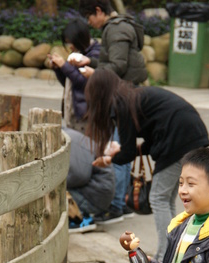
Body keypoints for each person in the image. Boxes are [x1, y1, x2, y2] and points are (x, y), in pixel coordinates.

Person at [85, 69, 209, 261]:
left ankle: (164, 256)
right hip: (190, 133)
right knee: (164, 198)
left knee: (158, 198)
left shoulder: (122, 104)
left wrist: (110, 159)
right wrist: (119, 155)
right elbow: (146, 143)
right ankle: (174, 250)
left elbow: (126, 153)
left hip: (179, 138)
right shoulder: (132, 96)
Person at [77, 0, 148, 224]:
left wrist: (94, 72)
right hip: (127, 93)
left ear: (99, 11)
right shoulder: (120, 26)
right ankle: (121, 203)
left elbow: (117, 66)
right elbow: (115, 61)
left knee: (117, 149)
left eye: (89, 17)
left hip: (123, 94)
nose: (90, 23)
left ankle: (116, 205)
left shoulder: (116, 28)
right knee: (123, 147)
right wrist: (92, 61)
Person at [49, 18, 100, 133]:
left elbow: (83, 82)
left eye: (71, 42)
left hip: (87, 115)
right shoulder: (77, 53)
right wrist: (58, 69)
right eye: (67, 42)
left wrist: (64, 65)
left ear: (80, 38)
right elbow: (68, 82)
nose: (70, 46)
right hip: (75, 112)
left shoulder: (95, 54)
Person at [64, 127, 115, 232]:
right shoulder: (71, 135)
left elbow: (79, 175)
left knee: (55, 189)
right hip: (100, 190)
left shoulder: (69, 141)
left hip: (98, 195)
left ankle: (81, 218)